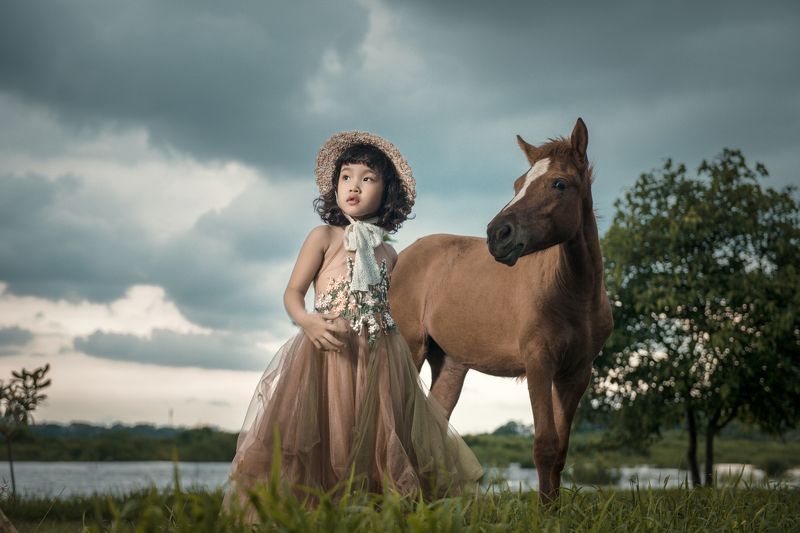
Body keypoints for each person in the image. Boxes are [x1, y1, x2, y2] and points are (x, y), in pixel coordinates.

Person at [221, 131, 483, 523]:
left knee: (379, 438)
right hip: (328, 353)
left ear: (387, 191)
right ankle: (314, 514)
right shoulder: (323, 236)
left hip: (381, 357)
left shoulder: (389, 251)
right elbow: (292, 292)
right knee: (329, 437)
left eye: (368, 178)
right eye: (346, 176)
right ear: (335, 185)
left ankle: (373, 514)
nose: (354, 186)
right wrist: (307, 320)